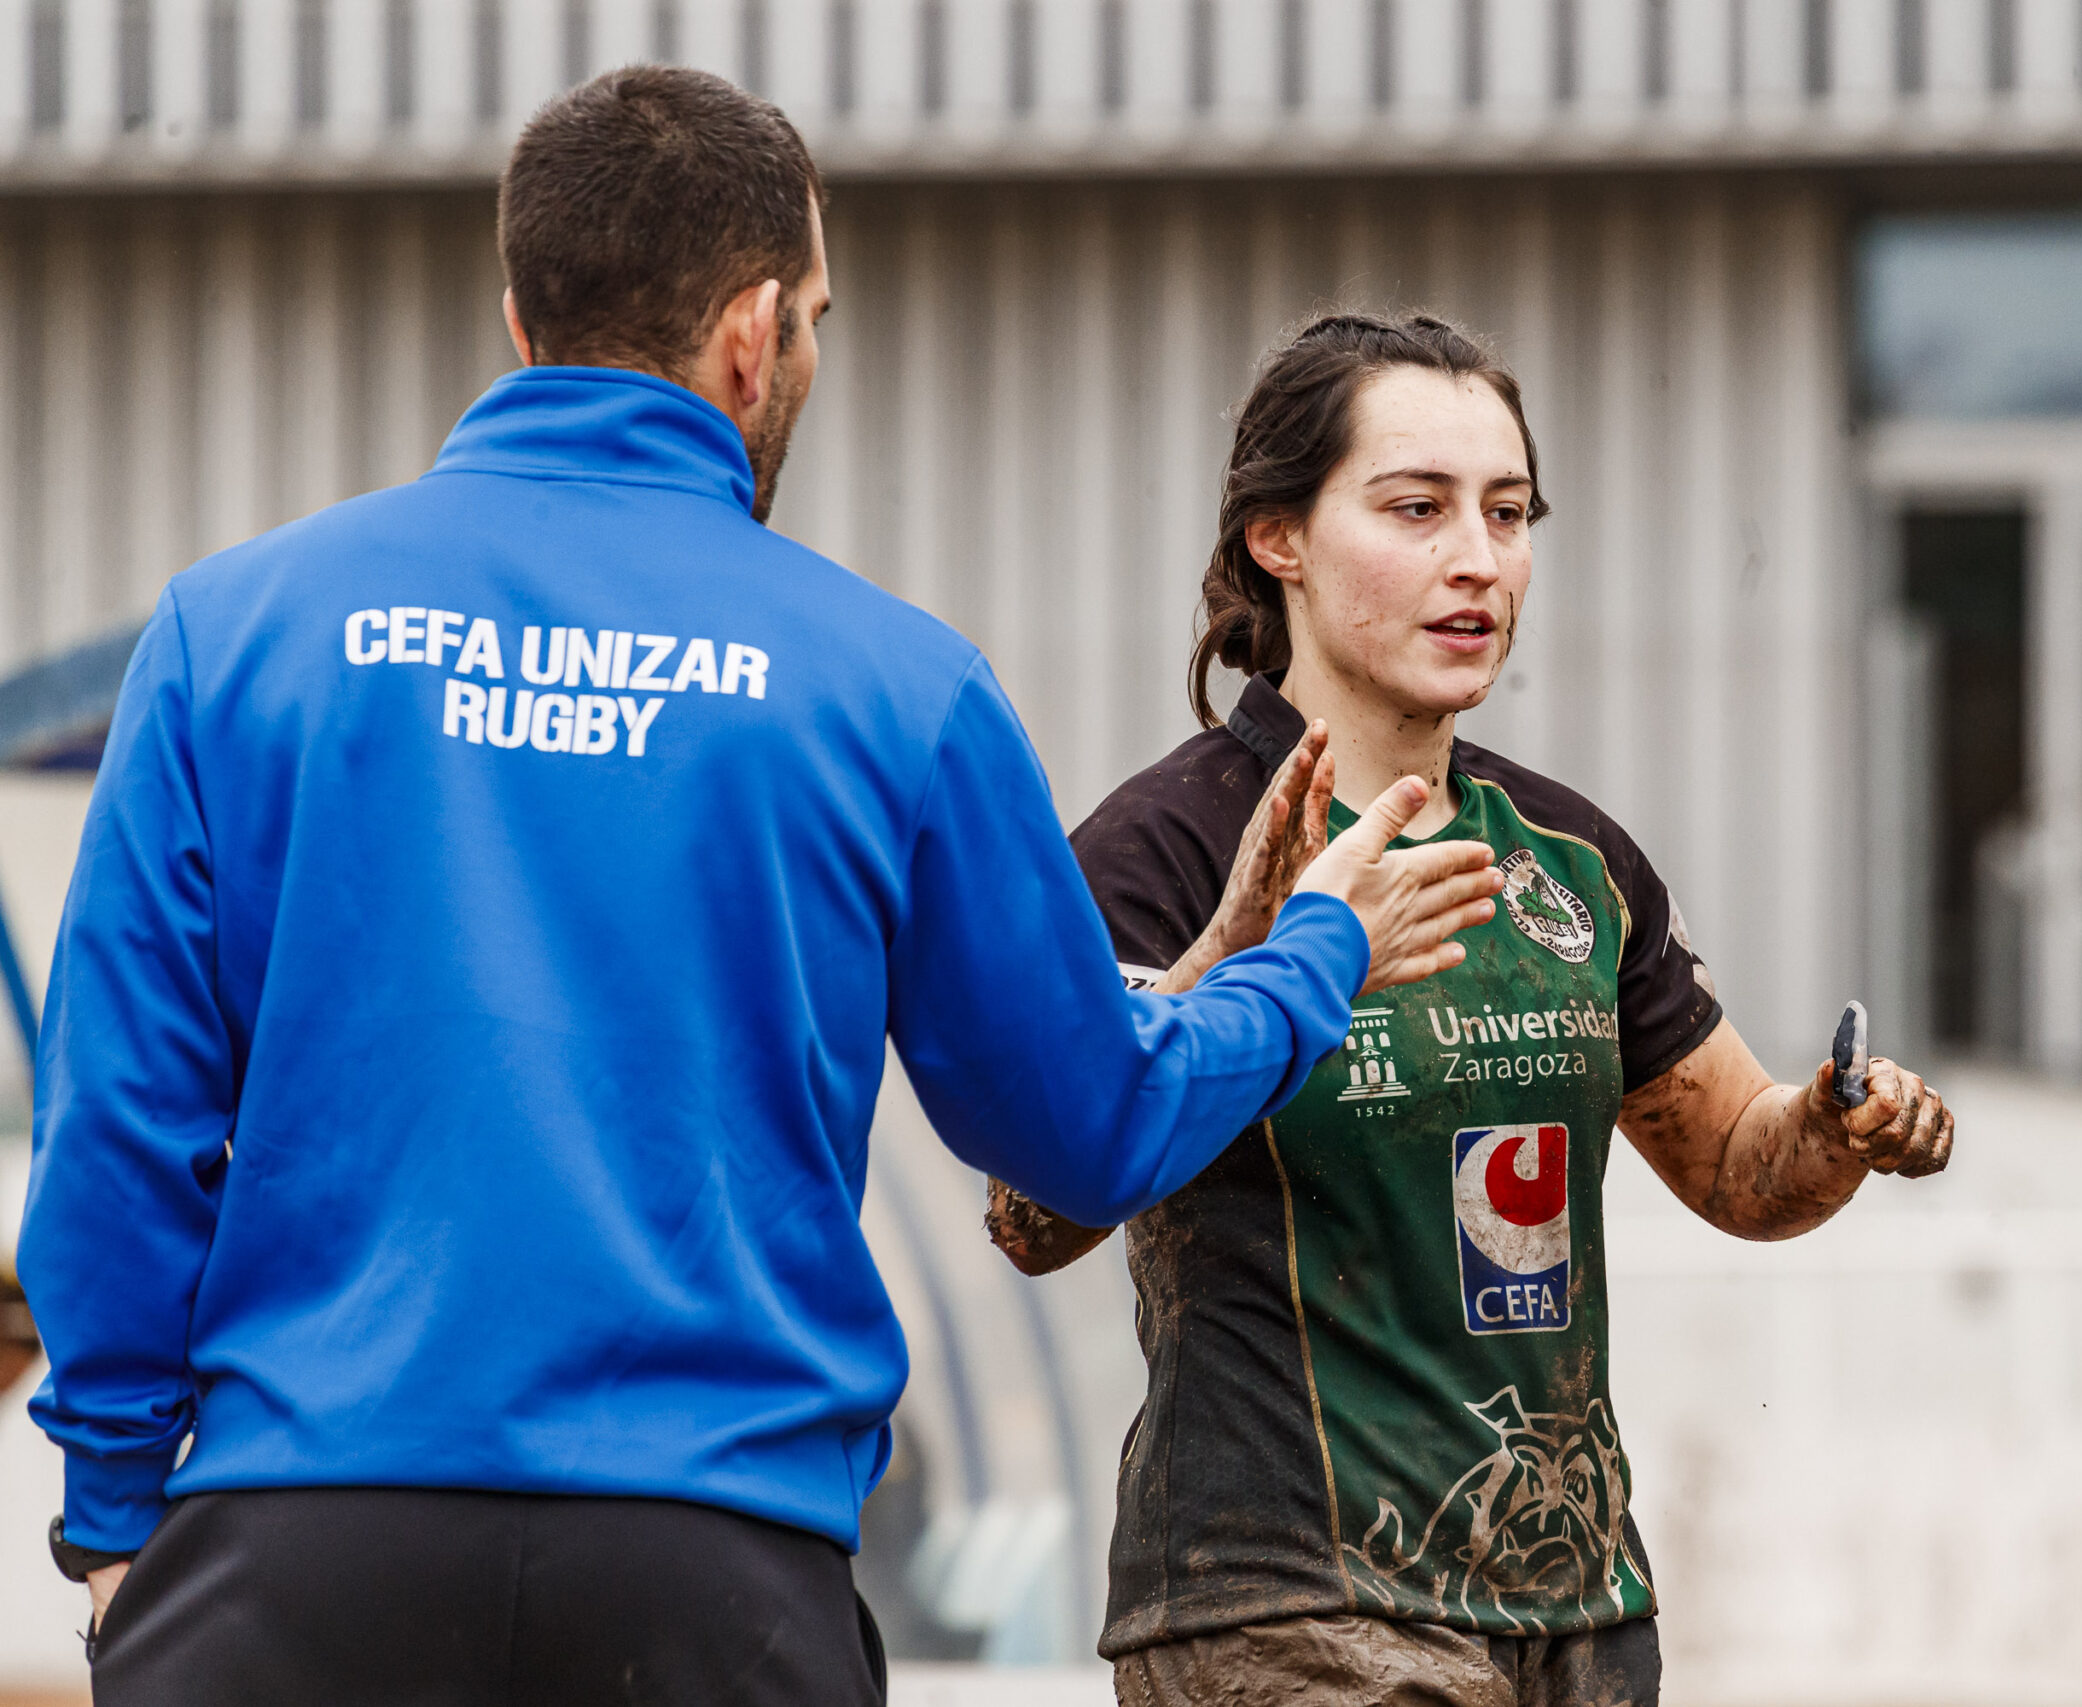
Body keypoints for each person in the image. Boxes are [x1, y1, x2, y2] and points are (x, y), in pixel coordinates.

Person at [15, 75, 1502, 1706]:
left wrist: (112, 1518)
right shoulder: (890, 685)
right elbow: (1088, 1129)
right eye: (814, 320)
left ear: (524, 316)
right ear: (748, 334)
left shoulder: (238, 635)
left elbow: (124, 1122)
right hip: (713, 1579)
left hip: (295, 1563)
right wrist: (1311, 956)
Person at [987, 313, 1955, 1707]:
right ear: (1280, 539)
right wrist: (1235, 966)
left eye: (1508, 513)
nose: (1479, 560)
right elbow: (1032, 1214)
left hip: (1577, 1612)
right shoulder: (1161, 851)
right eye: (1416, 509)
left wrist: (1836, 1122)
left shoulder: (1571, 858)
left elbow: (1742, 1174)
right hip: (1284, 1607)